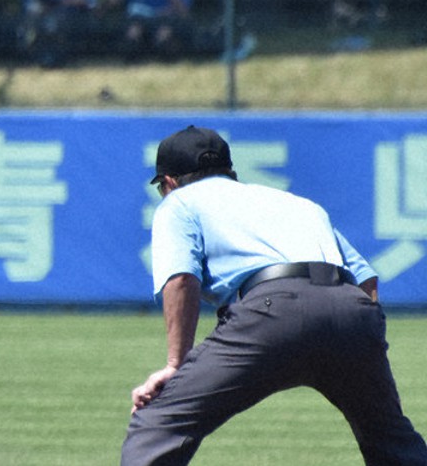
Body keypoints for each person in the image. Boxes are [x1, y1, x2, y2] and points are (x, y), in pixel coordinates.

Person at [122, 125, 427, 465]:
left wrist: (175, 365)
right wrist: (365, 350)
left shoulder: (178, 202)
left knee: (158, 423)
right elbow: (367, 280)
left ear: (169, 182)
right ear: (229, 171)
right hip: (351, 309)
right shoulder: (297, 203)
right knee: (392, 440)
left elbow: (180, 280)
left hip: (272, 310)